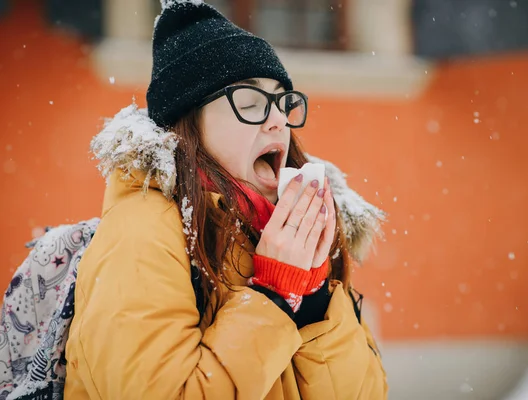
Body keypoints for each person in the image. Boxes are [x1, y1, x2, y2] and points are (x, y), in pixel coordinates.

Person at [64, 1, 388, 398]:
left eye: (284, 104)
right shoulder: (141, 234)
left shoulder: (291, 236)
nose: (278, 121)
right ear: (189, 127)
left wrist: (313, 297)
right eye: (250, 104)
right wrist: (273, 292)